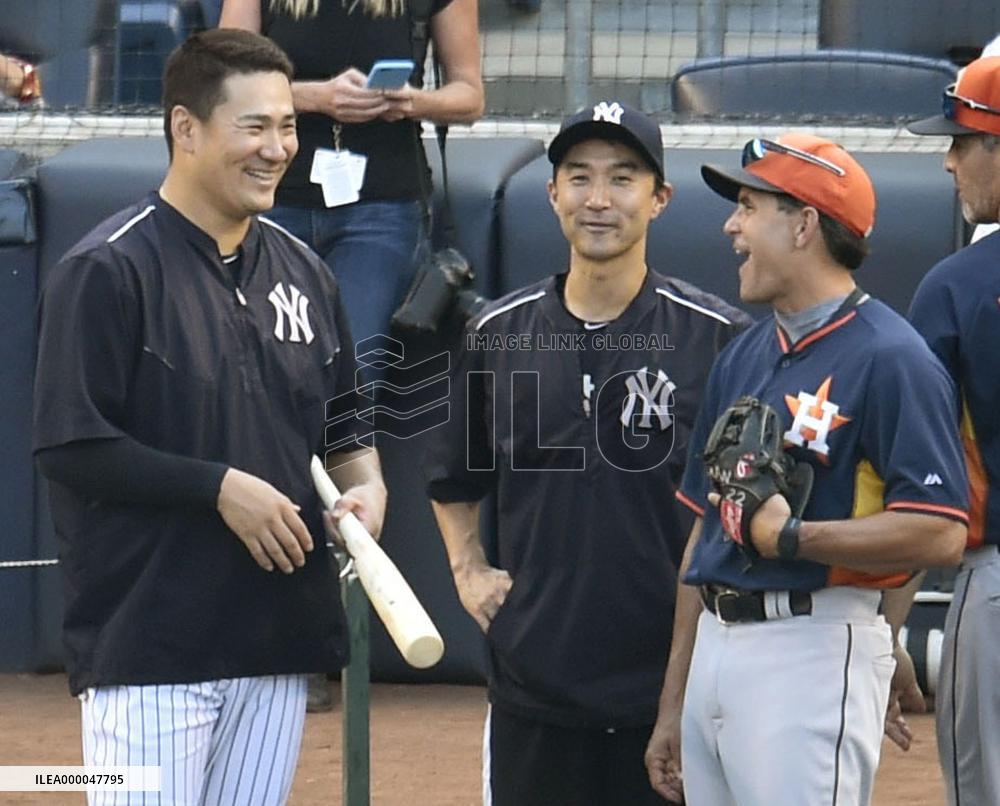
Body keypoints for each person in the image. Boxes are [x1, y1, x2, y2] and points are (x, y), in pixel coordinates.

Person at [32, 29, 386, 805]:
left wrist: (366, 491)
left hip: (275, 642)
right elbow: (71, 446)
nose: (277, 147)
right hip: (151, 648)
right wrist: (219, 487)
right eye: (254, 126)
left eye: (287, 125)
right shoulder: (106, 268)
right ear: (186, 130)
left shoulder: (306, 272)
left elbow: (346, 428)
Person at [425, 101, 751, 806]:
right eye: (578, 177)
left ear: (659, 199)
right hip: (536, 688)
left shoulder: (719, 337)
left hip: (670, 693)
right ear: (552, 194)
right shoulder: (497, 333)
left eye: (623, 178)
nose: (598, 199)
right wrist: (467, 567)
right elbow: (454, 479)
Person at [644, 133, 969, 806]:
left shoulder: (892, 358)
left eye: (748, 206)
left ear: (803, 224)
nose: (731, 225)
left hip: (811, 647)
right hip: (716, 644)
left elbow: (939, 531)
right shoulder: (745, 352)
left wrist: (793, 538)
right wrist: (674, 700)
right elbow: (704, 531)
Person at [219, 0, 484, 348]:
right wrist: (313, 97)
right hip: (272, 199)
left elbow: (470, 96)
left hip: (382, 206)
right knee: (264, 357)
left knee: (352, 361)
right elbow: (222, 80)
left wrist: (410, 102)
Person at [906, 54, 1000, 806]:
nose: (948, 159)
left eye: (963, 141)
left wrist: (887, 626)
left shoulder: (958, 284)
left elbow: (921, 469)